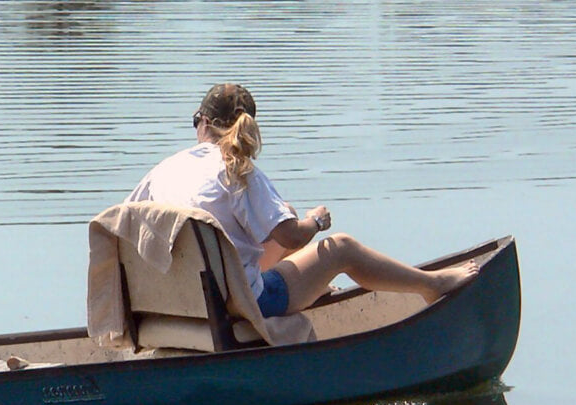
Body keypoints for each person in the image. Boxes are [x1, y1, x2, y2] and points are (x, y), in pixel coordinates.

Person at [127, 84, 477, 318]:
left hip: (180, 302)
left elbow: (125, 223)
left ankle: (313, 286)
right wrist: (317, 222)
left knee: (282, 217)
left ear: (202, 123)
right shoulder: (239, 171)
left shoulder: (162, 171)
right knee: (340, 248)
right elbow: (293, 238)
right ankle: (434, 285)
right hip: (240, 304)